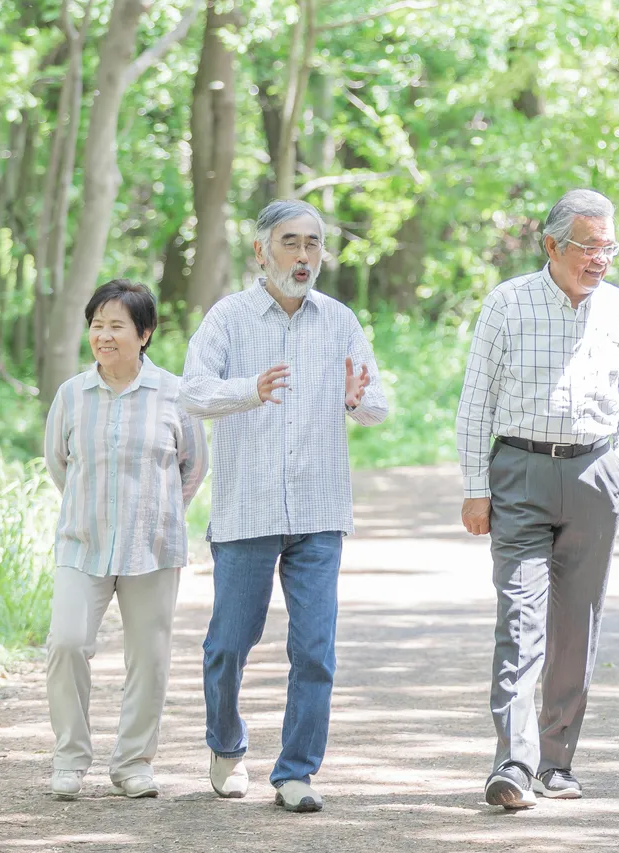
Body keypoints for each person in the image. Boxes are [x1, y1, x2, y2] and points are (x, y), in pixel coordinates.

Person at [180, 199, 390, 814]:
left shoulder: (340, 320)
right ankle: (226, 744)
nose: (304, 257)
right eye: (292, 243)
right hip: (247, 512)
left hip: (320, 512)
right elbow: (192, 392)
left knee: (315, 649)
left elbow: (376, 403)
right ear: (261, 251)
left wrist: (357, 401)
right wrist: (251, 389)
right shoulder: (229, 317)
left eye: (314, 245)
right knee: (228, 644)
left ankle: (296, 772)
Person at [457, 189, 619, 810]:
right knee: (520, 617)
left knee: (577, 625)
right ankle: (513, 763)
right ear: (551, 245)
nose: (600, 259)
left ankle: (557, 761)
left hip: (595, 472)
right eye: (588, 247)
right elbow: (475, 403)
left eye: (608, 247)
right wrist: (474, 488)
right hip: (520, 471)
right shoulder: (507, 303)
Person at [42, 279, 207, 801]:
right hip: (82, 542)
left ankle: (134, 763)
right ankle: (70, 758)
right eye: (97, 325)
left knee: (149, 656)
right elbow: (59, 464)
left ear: (145, 334)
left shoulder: (176, 394)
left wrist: (155, 514)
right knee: (66, 643)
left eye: (116, 326)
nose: (104, 336)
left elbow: (193, 467)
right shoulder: (71, 394)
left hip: (153, 546)